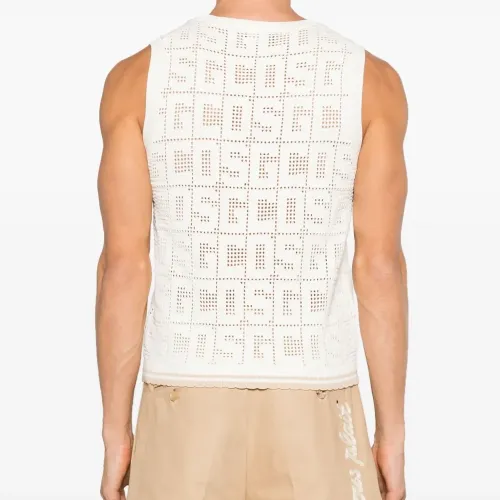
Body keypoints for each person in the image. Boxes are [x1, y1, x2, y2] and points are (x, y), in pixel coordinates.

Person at [95, 1, 408, 499]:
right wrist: (391, 435)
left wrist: (116, 434)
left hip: (183, 409)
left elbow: (124, 268)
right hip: (316, 406)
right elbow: (379, 266)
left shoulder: (135, 80)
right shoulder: (372, 81)